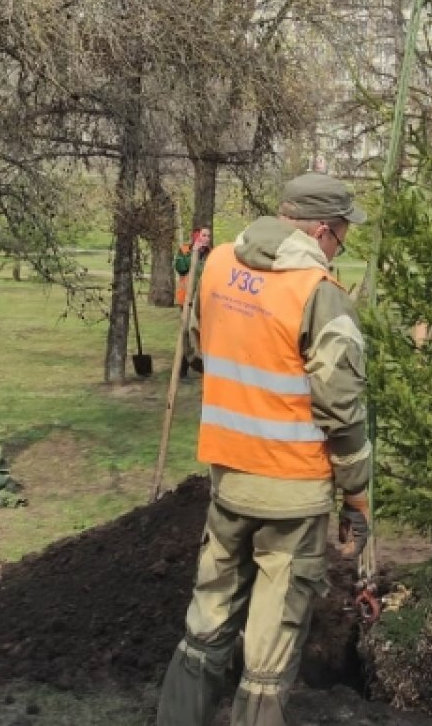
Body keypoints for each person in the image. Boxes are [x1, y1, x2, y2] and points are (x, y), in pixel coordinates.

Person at [157, 173, 371, 726]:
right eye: (343, 234)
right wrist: (356, 496)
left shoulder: (220, 265)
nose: (341, 246)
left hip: (228, 481)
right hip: (291, 499)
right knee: (267, 661)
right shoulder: (319, 296)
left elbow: (203, 346)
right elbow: (342, 412)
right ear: (323, 230)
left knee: (205, 626)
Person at [175, 226, 212, 378]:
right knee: (186, 331)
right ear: (196, 236)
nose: (207, 238)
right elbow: (181, 268)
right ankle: (182, 367)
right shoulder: (184, 250)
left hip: (203, 301)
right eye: (204, 235)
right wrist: (194, 253)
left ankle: (201, 363)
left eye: (208, 236)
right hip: (186, 299)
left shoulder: (211, 254)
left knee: (200, 333)